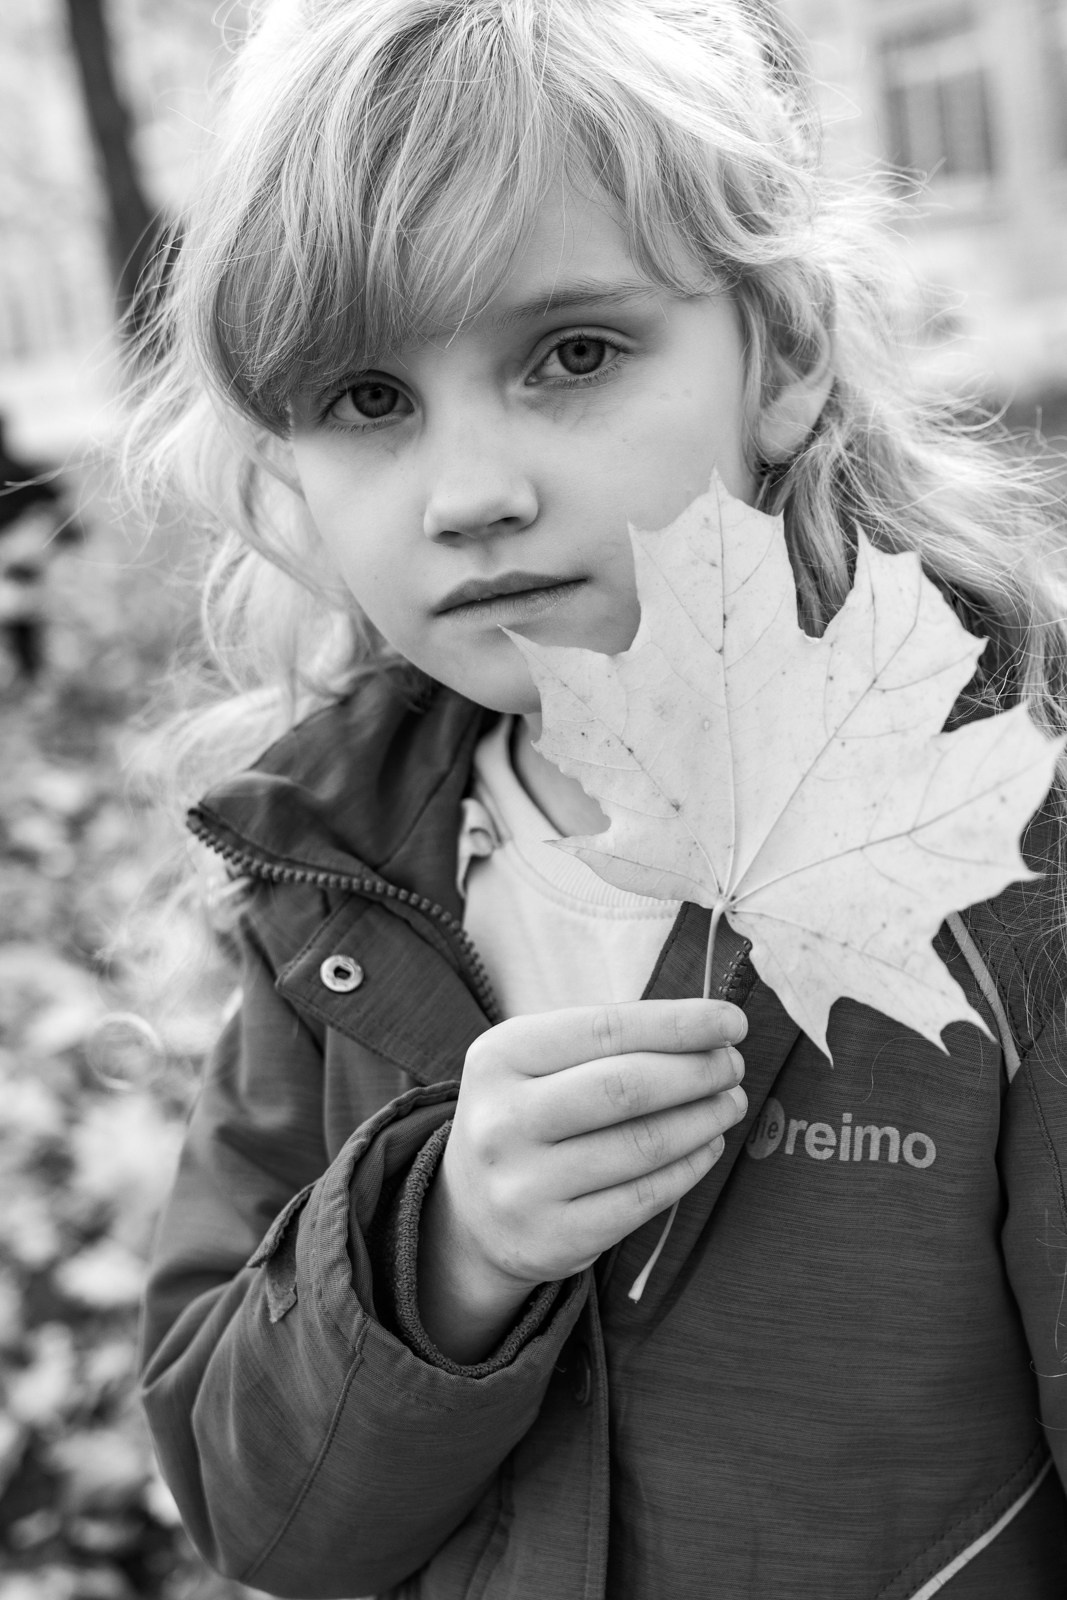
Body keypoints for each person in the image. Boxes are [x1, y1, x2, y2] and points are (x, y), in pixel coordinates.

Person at [132, 2, 1067, 1594]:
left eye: (573, 355)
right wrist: (442, 1252)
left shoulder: (1006, 867)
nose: (473, 488)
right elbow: (256, 1512)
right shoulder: (334, 888)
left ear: (779, 356)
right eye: (369, 400)